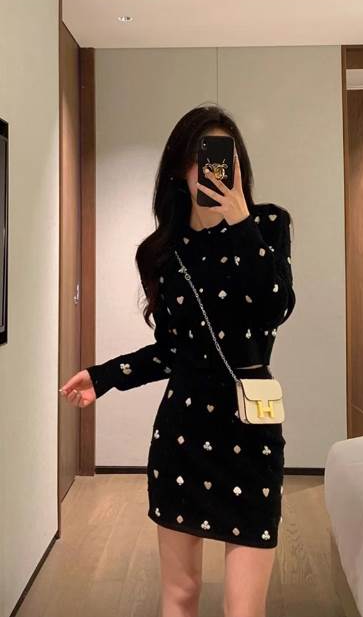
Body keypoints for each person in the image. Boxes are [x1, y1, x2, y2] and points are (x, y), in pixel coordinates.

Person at [59, 104, 296, 617]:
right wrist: (104, 377)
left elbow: (275, 307)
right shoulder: (163, 251)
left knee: (244, 608)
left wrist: (241, 224)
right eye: (201, 157)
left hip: (251, 432)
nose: (214, 169)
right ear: (178, 169)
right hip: (183, 434)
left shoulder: (268, 225)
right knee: (180, 594)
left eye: (225, 157)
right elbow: (171, 350)